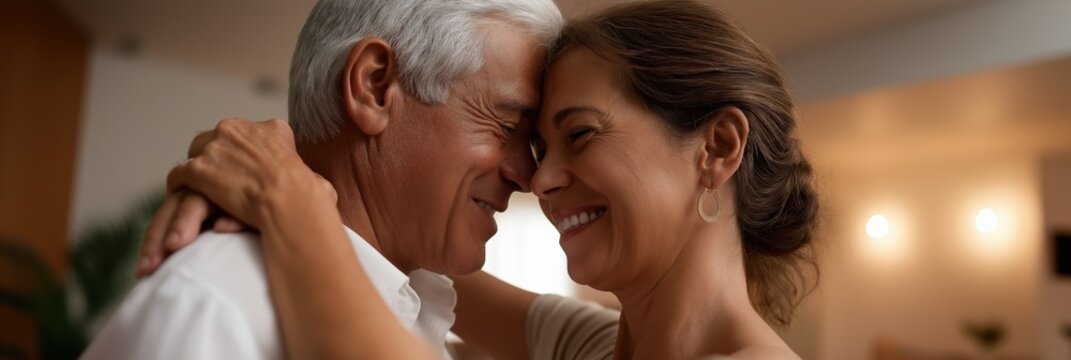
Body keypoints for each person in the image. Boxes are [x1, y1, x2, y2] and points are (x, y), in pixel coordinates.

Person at [142, 0, 819, 359]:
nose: (538, 178)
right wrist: (264, 168)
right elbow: (387, 241)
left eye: (578, 133)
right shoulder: (588, 349)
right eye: (530, 139)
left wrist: (287, 196)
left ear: (717, 148)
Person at [81, 0, 563, 358]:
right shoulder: (212, 305)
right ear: (375, 87)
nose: (527, 177)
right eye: (506, 127)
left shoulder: (420, 313)